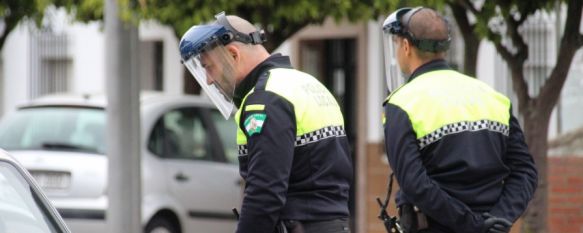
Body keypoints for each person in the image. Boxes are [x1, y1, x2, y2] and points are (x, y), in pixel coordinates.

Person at [179, 12, 353, 233]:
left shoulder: (264, 99)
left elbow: (264, 194)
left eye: (208, 67)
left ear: (233, 55)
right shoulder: (308, 84)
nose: (209, 80)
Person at [380, 7, 538, 233]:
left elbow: (415, 185)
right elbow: (525, 172)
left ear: (406, 47)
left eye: (397, 44)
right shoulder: (492, 97)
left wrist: (472, 225)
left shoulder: (401, 103)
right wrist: (500, 218)